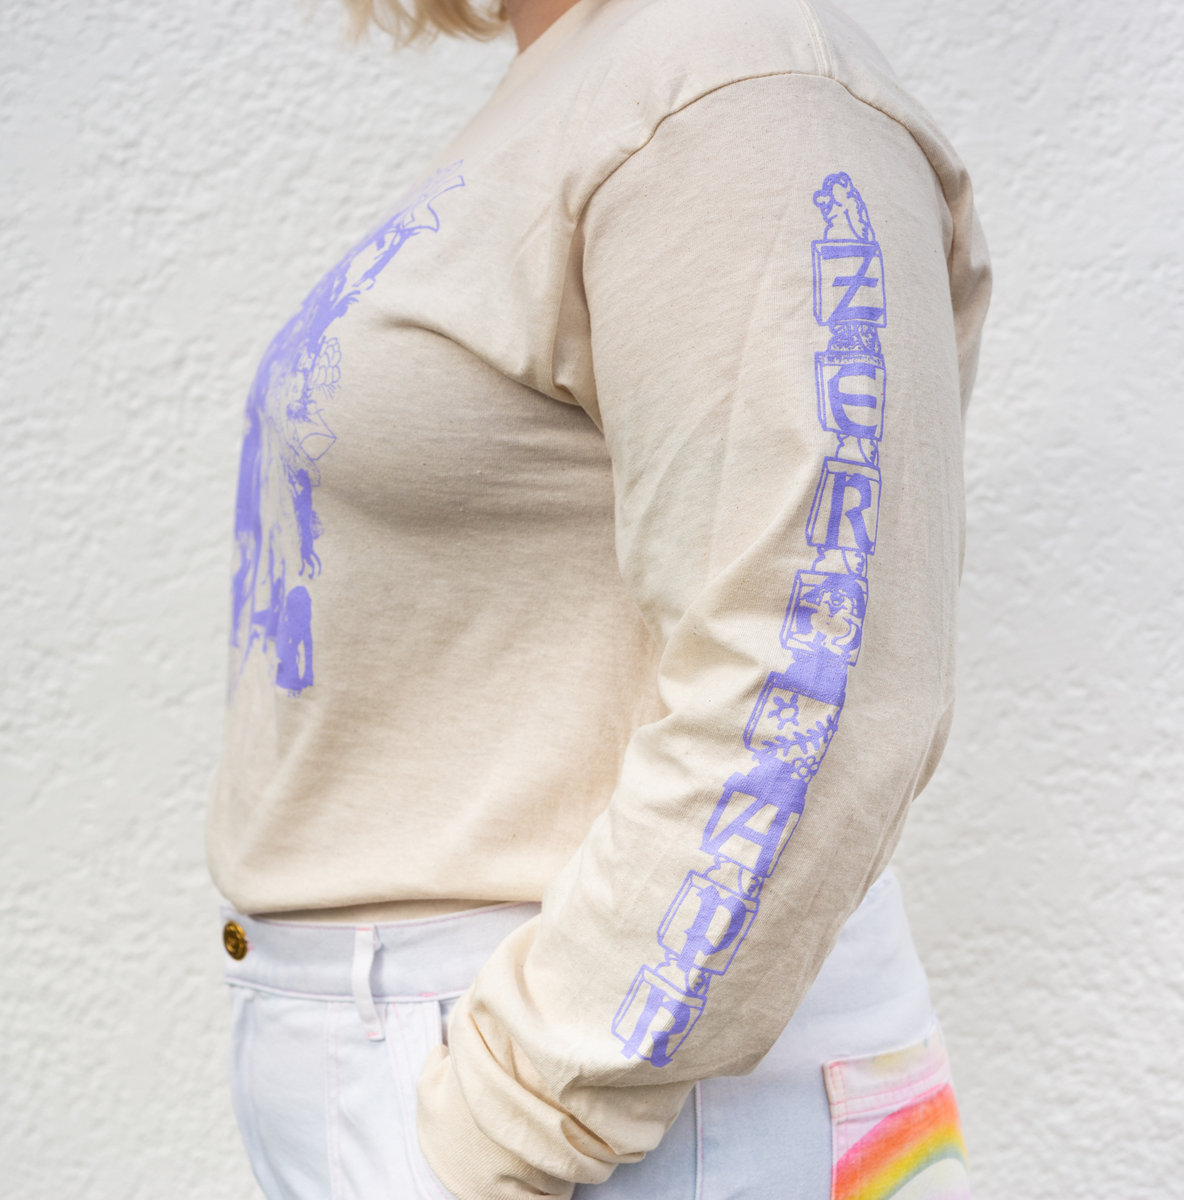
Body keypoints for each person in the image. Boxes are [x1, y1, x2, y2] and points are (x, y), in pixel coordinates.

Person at [207, 0, 992, 1196]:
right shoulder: (601, 81)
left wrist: (502, 1128)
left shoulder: (731, 83)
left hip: (615, 1114)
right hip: (525, 1085)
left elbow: (811, 676)